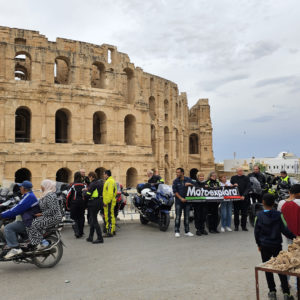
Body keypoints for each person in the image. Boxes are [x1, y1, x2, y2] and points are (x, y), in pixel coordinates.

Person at [254, 193, 295, 300]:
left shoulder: (258, 216)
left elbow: (256, 232)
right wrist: (295, 238)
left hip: (264, 246)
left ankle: (272, 291)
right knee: (281, 268)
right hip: (277, 245)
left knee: (268, 268)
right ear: (274, 203)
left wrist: (259, 244)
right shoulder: (278, 215)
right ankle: (286, 293)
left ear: (263, 202)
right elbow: (285, 229)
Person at [0, 181, 39, 259]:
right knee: (12, 224)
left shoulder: (29, 197)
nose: (19, 188)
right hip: (26, 219)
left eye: (21, 187)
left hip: (29, 221)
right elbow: (16, 205)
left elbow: (17, 209)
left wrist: (2, 215)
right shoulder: (26, 195)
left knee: (8, 228)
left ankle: (15, 248)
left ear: (24, 188)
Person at [27, 180, 62, 250]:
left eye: (42, 186)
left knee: (33, 223)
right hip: (48, 216)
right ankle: (36, 242)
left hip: (54, 217)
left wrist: (41, 214)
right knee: (30, 222)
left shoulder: (50, 195)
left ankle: (43, 243)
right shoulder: (45, 195)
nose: (41, 187)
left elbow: (53, 210)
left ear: (46, 186)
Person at [172, 168, 193, 237]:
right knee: (178, 217)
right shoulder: (175, 181)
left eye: (178, 172)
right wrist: (181, 198)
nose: (177, 174)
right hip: (179, 201)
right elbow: (175, 191)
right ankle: (177, 231)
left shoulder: (188, 179)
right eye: (176, 172)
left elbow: (195, 186)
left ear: (182, 173)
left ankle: (187, 231)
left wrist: (190, 184)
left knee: (187, 217)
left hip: (187, 201)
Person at [85, 172, 104, 243]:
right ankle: (90, 237)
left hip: (94, 203)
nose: (89, 178)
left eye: (89, 177)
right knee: (92, 219)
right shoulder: (100, 183)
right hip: (100, 201)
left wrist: (84, 192)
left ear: (91, 177)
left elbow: (88, 194)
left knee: (94, 221)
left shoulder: (92, 184)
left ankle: (100, 238)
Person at [66, 172, 87, 238]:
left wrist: (67, 205)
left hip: (74, 203)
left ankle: (77, 232)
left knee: (74, 218)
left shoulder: (72, 185)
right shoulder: (84, 185)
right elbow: (86, 195)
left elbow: (68, 196)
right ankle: (81, 232)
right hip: (82, 203)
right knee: (81, 217)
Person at [103, 170, 117, 237]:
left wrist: (106, 202)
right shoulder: (111, 181)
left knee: (109, 217)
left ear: (107, 174)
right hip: (110, 201)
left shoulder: (109, 181)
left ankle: (109, 232)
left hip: (109, 202)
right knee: (111, 216)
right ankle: (112, 230)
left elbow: (110, 193)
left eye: (104, 174)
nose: (103, 176)